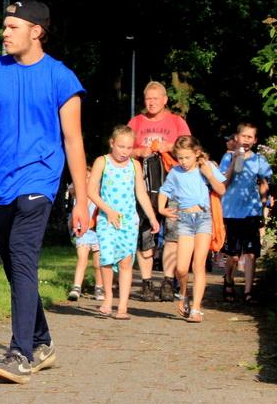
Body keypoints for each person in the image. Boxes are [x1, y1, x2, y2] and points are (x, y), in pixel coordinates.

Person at [0, 0, 89, 384]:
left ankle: (20, 353)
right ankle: (42, 342)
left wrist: (81, 200)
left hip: (38, 180)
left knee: (23, 256)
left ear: (36, 31)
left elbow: (73, 141)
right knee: (15, 265)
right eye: (4, 26)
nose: (5, 33)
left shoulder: (61, 78)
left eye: (13, 27)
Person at [127, 81, 191, 302]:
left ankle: (167, 281)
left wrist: (168, 147)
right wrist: (140, 151)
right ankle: (146, 283)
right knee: (145, 233)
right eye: (148, 98)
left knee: (172, 234)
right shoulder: (136, 122)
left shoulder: (177, 121)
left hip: (174, 187)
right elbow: (122, 149)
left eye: (155, 98)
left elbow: (190, 148)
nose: (151, 102)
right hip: (144, 188)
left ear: (165, 100)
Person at [88, 126, 160, 320]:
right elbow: (91, 191)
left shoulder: (135, 165)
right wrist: (108, 211)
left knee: (126, 261)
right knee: (107, 259)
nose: (124, 152)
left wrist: (152, 217)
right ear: (112, 143)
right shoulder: (102, 162)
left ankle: (122, 306)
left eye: (129, 148)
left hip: (128, 221)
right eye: (121, 147)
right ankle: (108, 299)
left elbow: (141, 193)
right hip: (107, 219)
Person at [158, 135, 226, 323]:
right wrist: (161, 208)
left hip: (203, 218)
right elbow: (164, 190)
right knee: (181, 268)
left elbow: (221, 190)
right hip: (185, 220)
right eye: (180, 158)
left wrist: (209, 175)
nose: (183, 162)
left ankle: (196, 309)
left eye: (187, 157)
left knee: (198, 265)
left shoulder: (206, 167)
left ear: (196, 153)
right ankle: (183, 293)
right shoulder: (175, 172)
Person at [219, 123, 273, 304]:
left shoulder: (259, 160)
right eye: (244, 136)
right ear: (237, 137)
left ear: (255, 140)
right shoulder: (228, 158)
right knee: (233, 255)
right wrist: (235, 160)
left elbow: (265, 182)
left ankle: (249, 291)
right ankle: (228, 280)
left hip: (251, 211)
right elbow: (222, 183)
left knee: (250, 253)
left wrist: (264, 205)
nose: (247, 140)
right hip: (231, 212)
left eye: (250, 137)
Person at [67, 171, 105, 302]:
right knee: (82, 259)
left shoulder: (99, 194)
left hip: (97, 231)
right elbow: (71, 188)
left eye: (89, 176)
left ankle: (99, 287)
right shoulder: (78, 194)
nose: (87, 179)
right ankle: (76, 287)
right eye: (85, 177)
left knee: (98, 263)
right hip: (83, 231)